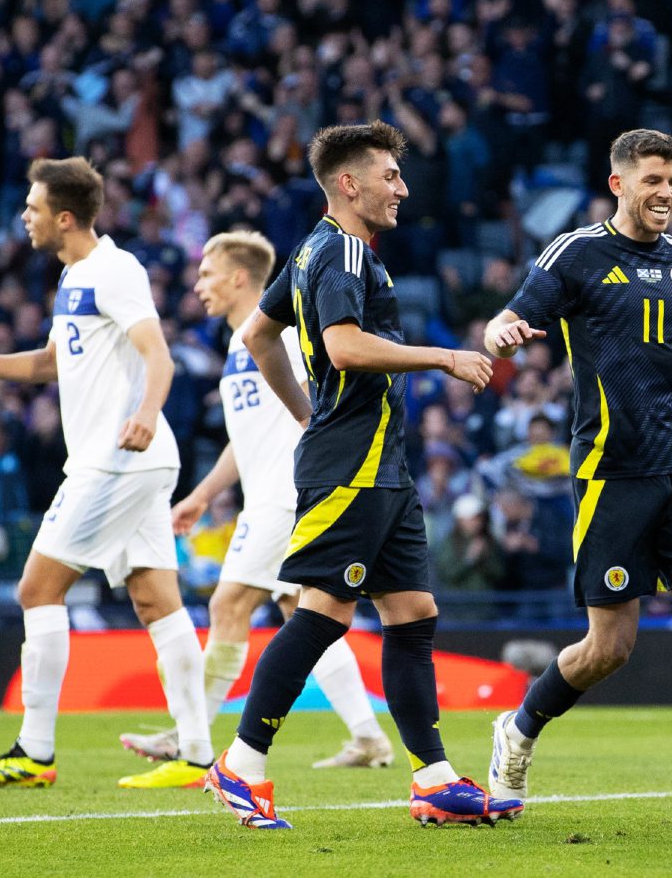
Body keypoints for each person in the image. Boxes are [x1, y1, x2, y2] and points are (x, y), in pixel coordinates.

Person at [203, 121, 520, 830]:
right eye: (390, 177)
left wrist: (307, 409)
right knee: (322, 613)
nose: (403, 189)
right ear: (350, 184)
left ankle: (434, 779)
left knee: (412, 615)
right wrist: (443, 356)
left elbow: (258, 334)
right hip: (353, 467)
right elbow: (343, 348)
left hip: (381, 466)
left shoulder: (314, 247)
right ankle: (241, 764)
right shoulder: (342, 250)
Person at [484, 129, 672, 824]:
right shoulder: (576, 253)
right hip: (611, 474)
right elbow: (507, 318)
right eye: (653, 181)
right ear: (619, 184)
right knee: (610, 648)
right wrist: (499, 335)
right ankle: (517, 732)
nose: (665, 193)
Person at [0, 157, 211, 789]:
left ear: (64, 217)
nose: (25, 218)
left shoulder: (114, 271)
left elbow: (160, 356)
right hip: (136, 461)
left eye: (34, 209)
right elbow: (50, 362)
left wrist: (146, 413)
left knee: (37, 590)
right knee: (155, 600)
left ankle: (34, 752)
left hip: (117, 458)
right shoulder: (74, 277)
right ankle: (198, 752)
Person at [118, 231, 394, 773]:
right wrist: (200, 496)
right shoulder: (234, 344)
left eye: (207, 273)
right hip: (268, 490)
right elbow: (245, 437)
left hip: (287, 492)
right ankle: (368, 737)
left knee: (228, 606)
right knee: (302, 609)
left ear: (240, 277)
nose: (198, 285)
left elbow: (319, 403)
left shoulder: (285, 333)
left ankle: (187, 737)